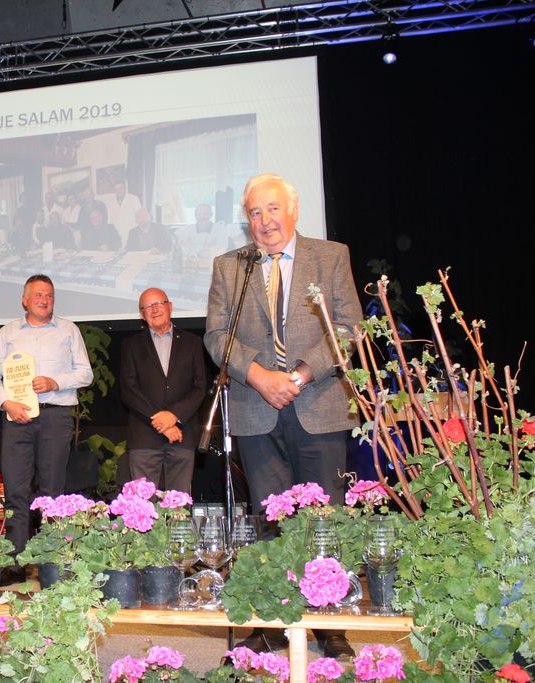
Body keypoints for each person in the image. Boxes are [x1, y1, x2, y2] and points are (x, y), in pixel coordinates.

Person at [204, 173, 362, 660]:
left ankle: (328, 623)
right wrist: (259, 377)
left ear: (292, 212)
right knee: (269, 523)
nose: (265, 221)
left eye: (273, 209)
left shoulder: (330, 256)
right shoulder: (230, 266)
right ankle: (272, 621)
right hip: (256, 410)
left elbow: (349, 328)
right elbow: (216, 336)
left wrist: (298, 375)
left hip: (319, 404)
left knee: (324, 520)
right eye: (255, 212)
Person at [0, 275, 93, 577]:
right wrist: (6, 402)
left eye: (49, 295)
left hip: (55, 418)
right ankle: (15, 562)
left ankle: (51, 563)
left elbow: (85, 374)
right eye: (38, 295)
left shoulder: (68, 330)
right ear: (25, 300)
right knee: (15, 491)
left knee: (52, 492)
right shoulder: (8, 333)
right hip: (17, 419)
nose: (44, 300)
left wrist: (55, 382)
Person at [119, 288, 207, 493]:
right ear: (142, 314)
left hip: (182, 435)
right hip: (144, 437)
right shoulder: (131, 345)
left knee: (178, 504)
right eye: (148, 306)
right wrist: (163, 423)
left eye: (159, 303)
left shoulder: (193, 342)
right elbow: (129, 390)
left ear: (170, 307)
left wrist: (174, 415)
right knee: (142, 506)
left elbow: (199, 387)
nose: (155, 309)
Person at [104, 180, 143, 246]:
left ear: (125, 188)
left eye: (121, 188)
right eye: (116, 189)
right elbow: (109, 220)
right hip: (116, 236)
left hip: (132, 233)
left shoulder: (134, 199)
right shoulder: (110, 202)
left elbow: (139, 216)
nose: (119, 191)